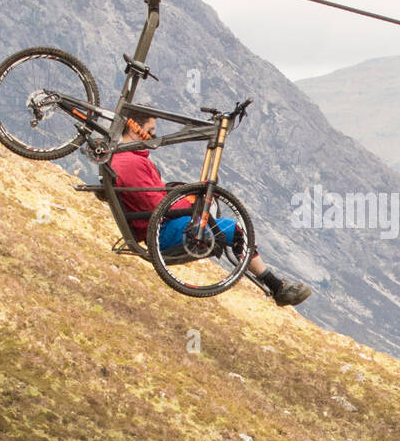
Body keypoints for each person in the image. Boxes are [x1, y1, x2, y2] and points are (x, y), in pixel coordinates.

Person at [109, 110, 312, 306]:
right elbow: (157, 205)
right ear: (135, 128)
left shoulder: (129, 160)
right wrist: (188, 204)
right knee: (235, 229)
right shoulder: (131, 163)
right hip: (164, 233)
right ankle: (276, 287)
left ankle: (274, 286)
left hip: (162, 226)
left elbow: (154, 199)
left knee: (217, 217)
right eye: (150, 130)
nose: (153, 135)